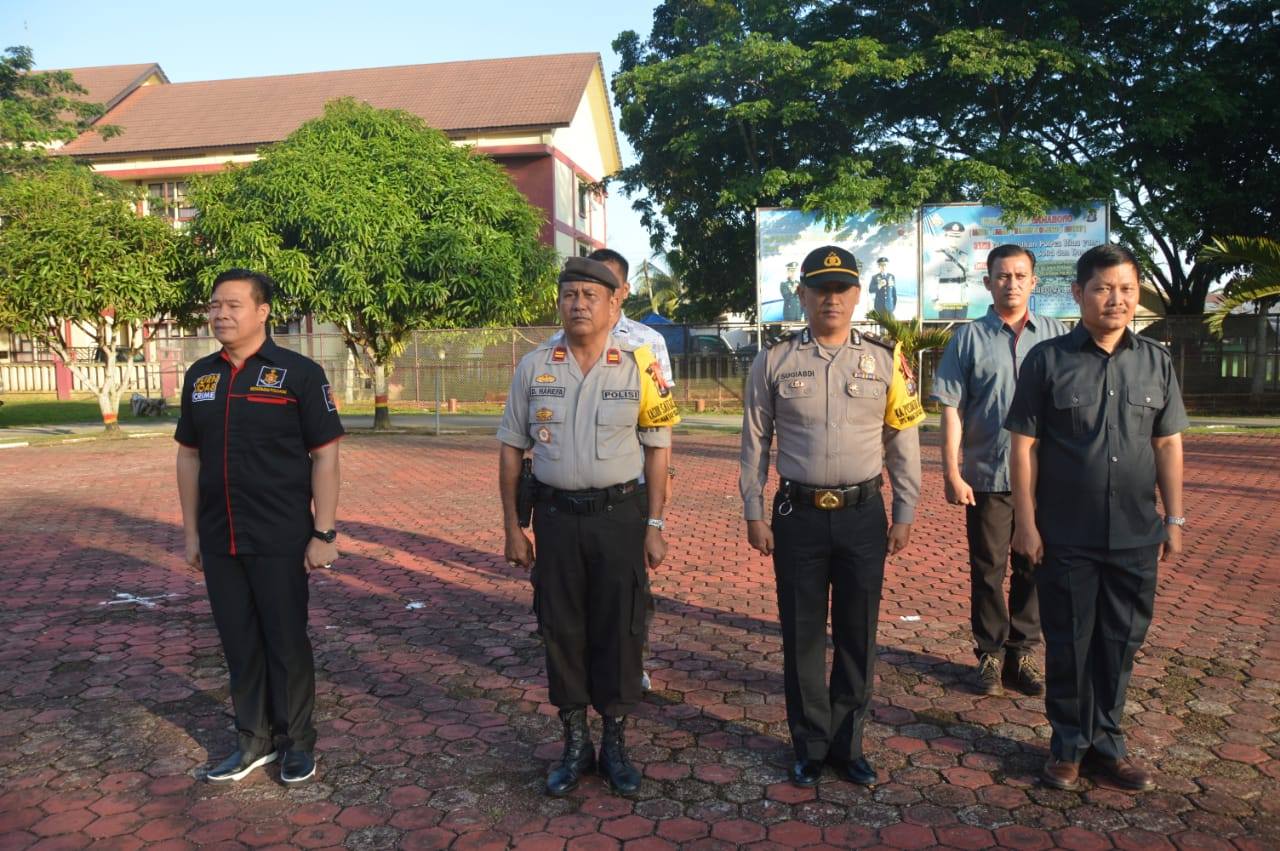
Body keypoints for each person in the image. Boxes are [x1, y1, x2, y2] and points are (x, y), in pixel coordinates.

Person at [740, 245, 924, 788]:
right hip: (797, 515)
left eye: (842, 289)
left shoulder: (887, 360)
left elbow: (903, 438)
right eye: (820, 289)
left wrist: (905, 509)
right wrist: (753, 509)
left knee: (857, 633)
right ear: (802, 295)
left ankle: (849, 744)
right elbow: (755, 441)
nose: (831, 299)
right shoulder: (773, 361)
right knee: (802, 634)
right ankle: (810, 745)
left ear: (857, 295)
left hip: (863, 515)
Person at [1005, 243, 1187, 793]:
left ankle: (1108, 744)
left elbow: (1167, 444)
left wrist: (1175, 519)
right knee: (1069, 642)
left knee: (1119, 642)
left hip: (1135, 534)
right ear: (1078, 293)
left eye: (1126, 289)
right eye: (1104, 288)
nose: (1116, 299)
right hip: (1066, 534)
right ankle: (1067, 747)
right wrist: (1025, 523)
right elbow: (1023, 448)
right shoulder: (1047, 360)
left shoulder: (1156, 360)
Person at [499, 256, 679, 798]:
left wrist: (654, 523)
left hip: (620, 518)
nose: (578, 304)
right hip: (555, 520)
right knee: (561, 628)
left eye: (590, 295)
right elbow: (511, 450)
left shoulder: (641, 364)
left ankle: (615, 744)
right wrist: (513, 528)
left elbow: (659, 450)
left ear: (613, 303)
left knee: (621, 628)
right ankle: (575, 743)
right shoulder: (534, 366)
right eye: (569, 294)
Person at [175, 269, 344, 786]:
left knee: (285, 642)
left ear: (263, 311)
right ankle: (253, 740)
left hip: (280, 536)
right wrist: (191, 533)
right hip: (219, 535)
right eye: (214, 306)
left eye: (233, 305)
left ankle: (296, 743)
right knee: (239, 642)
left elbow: (325, 454)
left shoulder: (298, 373)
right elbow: (188, 457)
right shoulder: (200, 377)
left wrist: (324, 532)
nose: (220, 314)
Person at [931, 245, 1069, 696]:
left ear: (1034, 282)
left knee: (1035, 566)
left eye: (1020, 275)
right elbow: (951, 409)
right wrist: (951, 473)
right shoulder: (968, 339)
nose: (1012, 283)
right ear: (987, 283)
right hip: (988, 476)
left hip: (1046, 480)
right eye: (1003, 276)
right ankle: (989, 653)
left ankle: (1022, 652)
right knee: (988, 568)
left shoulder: (1057, 336)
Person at [549, 248, 675, 692]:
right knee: (571, 595)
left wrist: (657, 506)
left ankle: (629, 666)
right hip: (568, 496)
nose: (584, 299)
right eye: (575, 291)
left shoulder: (647, 344)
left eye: (601, 287)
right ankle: (582, 678)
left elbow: (659, 427)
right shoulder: (555, 345)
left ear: (620, 292)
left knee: (629, 592)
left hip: (628, 491)